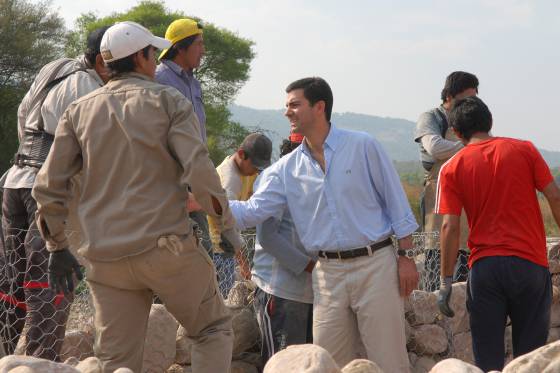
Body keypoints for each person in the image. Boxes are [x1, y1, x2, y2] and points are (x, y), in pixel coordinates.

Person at [32, 21, 239, 372]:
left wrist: (56, 246)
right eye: (152, 53)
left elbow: (49, 186)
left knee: (116, 361)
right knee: (212, 329)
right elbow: (202, 175)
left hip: (105, 260)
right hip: (166, 250)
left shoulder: (78, 112)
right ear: (142, 57)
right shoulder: (168, 102)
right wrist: (226, 227)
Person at [230, 77, 419, 372]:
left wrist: (406, 256)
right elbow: (251, 213)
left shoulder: (363, 146)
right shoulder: (286, 170)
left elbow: (396, 202)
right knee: (327, 362)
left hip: (376, 266)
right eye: (286, 106)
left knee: (389, 360)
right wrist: (203, 200)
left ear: (319, 107)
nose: (287, 112)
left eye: (294, 104)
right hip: (326, 274)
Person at [0, 26, 110, 359]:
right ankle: (36, 364)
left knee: (10, 281)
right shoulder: (92, 90)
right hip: (50, 191)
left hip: (15, 180)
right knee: (50, 283)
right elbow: (91, 150)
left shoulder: (55, 66)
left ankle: (6, 357)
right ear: (104, 61)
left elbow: (23, 112)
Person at [436, 96, 560, 372]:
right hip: (530, 265)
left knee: (488, 360)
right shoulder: (524, 150)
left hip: (486, 269)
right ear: (489, 122)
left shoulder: (453, 167)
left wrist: (446, 282)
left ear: (456, 132)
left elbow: (449, 227)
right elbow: (554, 196)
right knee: (531, 360)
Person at [252, 131, 315, 364]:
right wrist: (309, 266)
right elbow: (267, 237)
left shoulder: (317, 179)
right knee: (282, 365)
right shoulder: (274, 178)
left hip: (310, 292)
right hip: (281, 290)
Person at [414, 71, 478, 291]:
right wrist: (471, 144)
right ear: (449, 96)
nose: (470, 103)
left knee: (467, 273)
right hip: (437, 202)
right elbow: (435, 148)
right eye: (466, 98)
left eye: (474, 98)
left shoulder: (472, 121)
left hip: (468, 203)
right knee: (437, 258)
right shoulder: (432, 118)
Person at [155, 19, 212, 254]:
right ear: (180, 47)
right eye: (199, 44)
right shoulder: (158, 79)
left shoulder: (194, 84)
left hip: (194, 175)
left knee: (202, 249)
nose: (203, 51)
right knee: (172, 250)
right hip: (169, 179)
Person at [208, 133, 272, 298]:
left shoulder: (245, 171)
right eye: (255, 166)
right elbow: (227, 225)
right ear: (242, 154)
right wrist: (243, 263)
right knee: (221, 303)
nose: (257, 171)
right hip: (219, 250)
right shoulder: (230, 180)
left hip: (226, 249)